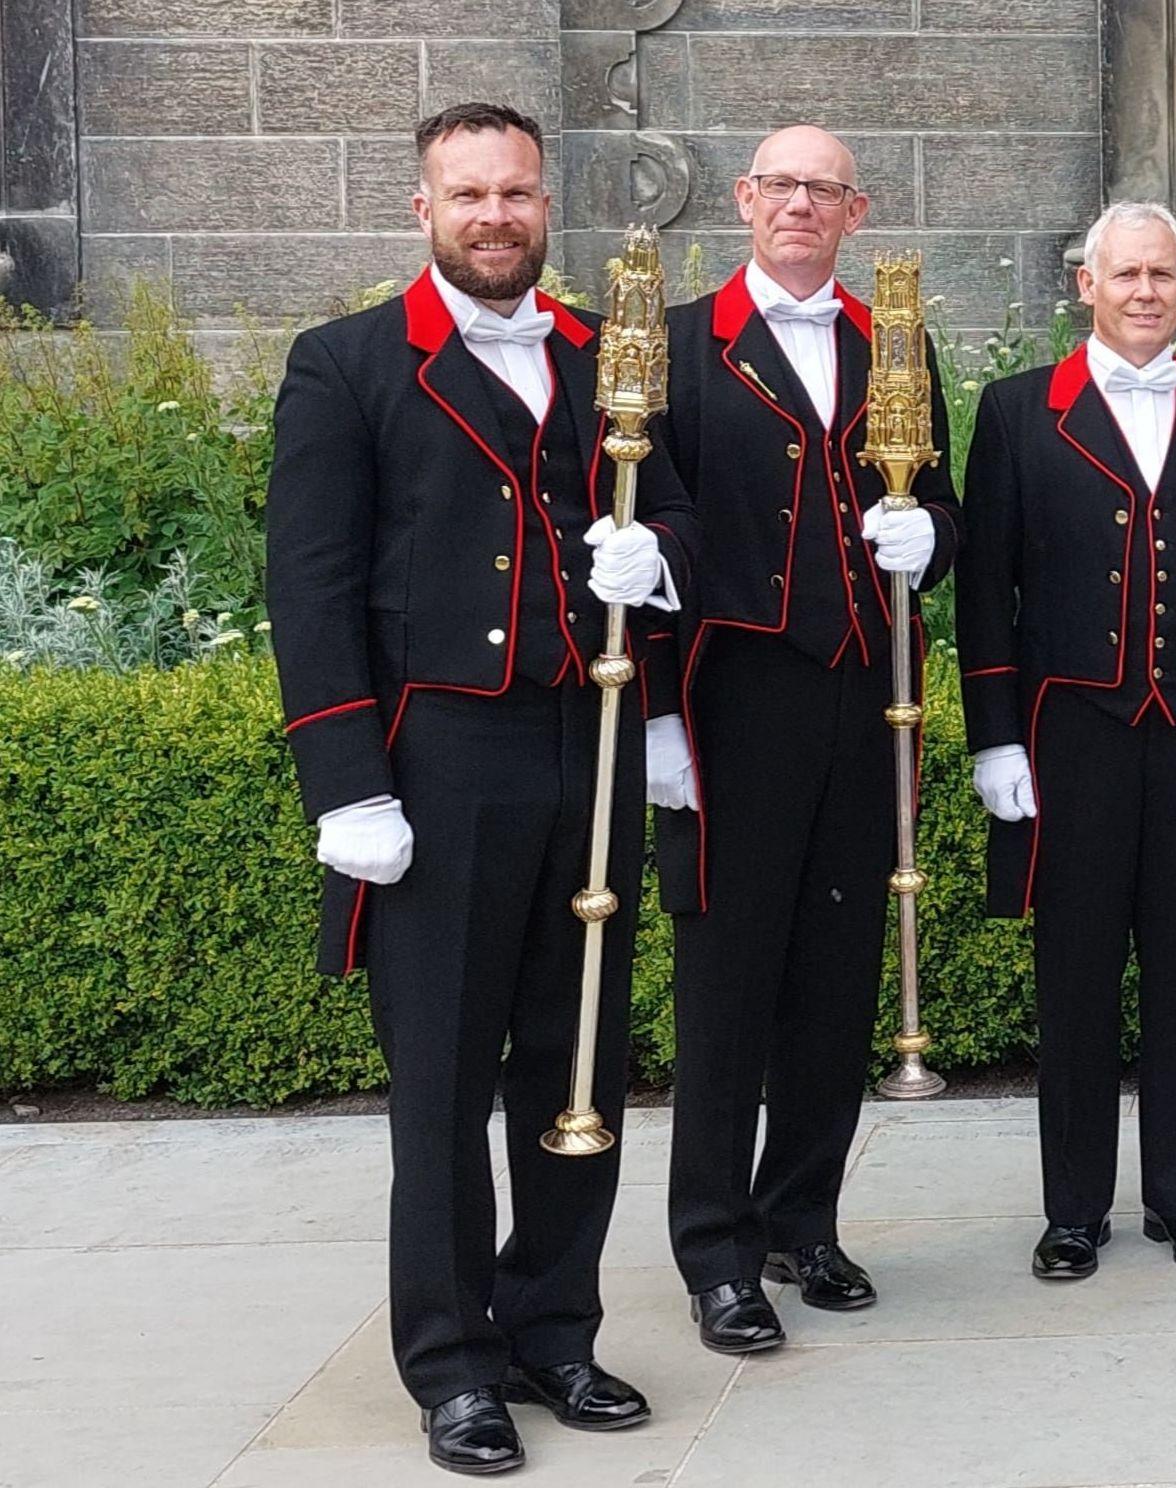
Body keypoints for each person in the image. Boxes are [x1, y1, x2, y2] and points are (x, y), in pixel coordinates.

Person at [266, 102, 697, 1475]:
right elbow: (312, 589)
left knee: (578, 1057)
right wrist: (348, 782)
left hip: (592, 745)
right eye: (468, 195)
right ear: (425, 210)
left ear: (544, 201)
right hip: (438, 764)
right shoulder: (346, 366)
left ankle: (555, 1325)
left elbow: (676, 508)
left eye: (515, 193)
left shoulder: (605, 351)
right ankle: (452, 1360)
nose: (495, 216)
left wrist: (658, 566)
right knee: (444, 1080)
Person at [646, 125, 960, 1354]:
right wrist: (664, 716)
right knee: (727, 987)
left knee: (838, 973)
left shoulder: (897, 342)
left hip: (864, 691)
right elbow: (639, 536)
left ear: (855, 211)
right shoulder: (674, 344)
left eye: (823, 190)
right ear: (743, 199)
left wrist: (929, 535)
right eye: (780, 185)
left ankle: (803, 1219)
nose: (799, 206)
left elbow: (937, 500)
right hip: (731, 698)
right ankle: (715, 1252)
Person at [956, 201, 1176, 1279]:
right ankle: (1072, 1209)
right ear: (1086, 286)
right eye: (1127, 274)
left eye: (1163, 273)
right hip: (1073, 737)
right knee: (1076, 974)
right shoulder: (1019, 412)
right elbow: (982, 590)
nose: (1145, 291)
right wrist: (993, 739)